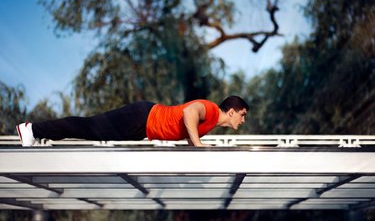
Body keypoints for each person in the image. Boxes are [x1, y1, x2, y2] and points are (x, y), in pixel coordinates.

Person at [16, 95, 249, 147]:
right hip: (143, 116)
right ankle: (32, 129)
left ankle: (38, 133)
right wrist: (198, 146)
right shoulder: (208, 108)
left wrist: (195, 145)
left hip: (142, 129)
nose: (243, 120)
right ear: (232, 111)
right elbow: (189, 113)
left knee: (91, 133)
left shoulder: (208, 125)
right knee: (89, 126)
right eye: (243, 115)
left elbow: (188, 129)